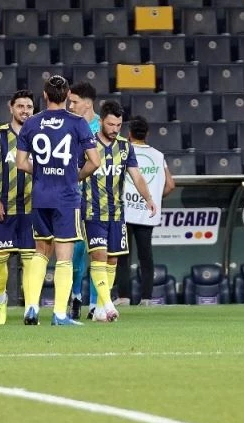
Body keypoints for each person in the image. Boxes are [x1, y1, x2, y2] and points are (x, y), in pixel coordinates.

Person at [15, 75, 101, 326]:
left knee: (41, 252)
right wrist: (75, 175)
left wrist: (42, 173)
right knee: (64, 257)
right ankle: (59, 314)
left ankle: (31, 308)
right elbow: (95, 161)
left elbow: (21, 163)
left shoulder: (31, 123)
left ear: (44, 95)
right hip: (66, 197)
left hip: (41, 196)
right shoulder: (78, 123)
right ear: (66, 96)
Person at [82, 101, 157, 321]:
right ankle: (107, 305)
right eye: (111, 124)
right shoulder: (87, 144)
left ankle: (99, 309)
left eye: (118, 125)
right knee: (99, 256)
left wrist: (148, 198)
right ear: (101, 122)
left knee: (112, 260)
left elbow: (137, 176)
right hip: (93, 211)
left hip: (117, 214)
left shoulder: (125, 147)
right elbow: (76, 173)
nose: (115, 129)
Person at [0, 90, 35, 325]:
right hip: (4, 207)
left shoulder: (39, 134)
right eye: (20, 106)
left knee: (30, 261)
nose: (25, 110)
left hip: (32, 208)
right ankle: (1, 299)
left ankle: (30, 308)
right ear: (11, 107)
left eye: (29, 106)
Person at [115, 115, 176, 306]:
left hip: (125, 211)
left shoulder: (123, 151)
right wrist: (154, 198)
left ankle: (124, 297)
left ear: (129, 133)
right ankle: (147, 298)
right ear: (147, 134)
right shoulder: (158, 155)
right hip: (147, 212)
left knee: (122, 256)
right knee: (146, 256)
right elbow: (170, 185)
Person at [67, 81, 101, 319]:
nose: (70, 106)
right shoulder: (69, 125)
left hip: (99, 199)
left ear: (87, 104)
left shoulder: (104, 127)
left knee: (98, 252)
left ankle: (96, 304)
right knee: (76, 251)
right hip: (75, 197)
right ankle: (76, 297)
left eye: (74, 102)